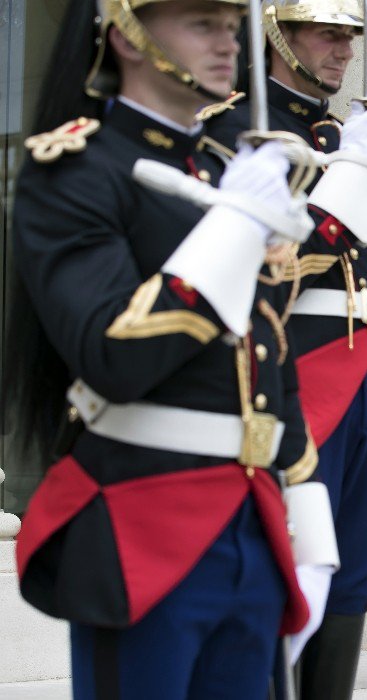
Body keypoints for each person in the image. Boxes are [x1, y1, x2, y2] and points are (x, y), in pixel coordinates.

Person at [5, 1, 330, 696]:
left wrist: (309, 523)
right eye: (200, 24)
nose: (227, 44)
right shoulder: (73, 166)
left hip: (253, 518)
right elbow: (113, 353)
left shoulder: (223, 171)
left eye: (229, 26)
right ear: (126, 34)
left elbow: (270, 351)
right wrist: (234, 228)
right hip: (143, 519)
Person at [204, 3, 367, 696]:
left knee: (353, 567)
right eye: (326, 34)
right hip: (296, 364)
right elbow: (268, 259)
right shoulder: (236, 125)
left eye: (349, 36)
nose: (342, 50)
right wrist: (350, 176)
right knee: (290, 560)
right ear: (278, 34)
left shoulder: (344, 129)